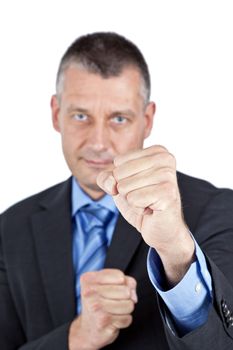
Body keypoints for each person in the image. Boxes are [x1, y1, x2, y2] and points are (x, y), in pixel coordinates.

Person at [1, 32, 233, 350]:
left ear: (147, 120)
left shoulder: (216, 209)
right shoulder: (10, 227)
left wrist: (177, 253)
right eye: (81, 116)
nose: (98, 142)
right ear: (56, 114)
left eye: (119, 118)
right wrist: (75, 338)